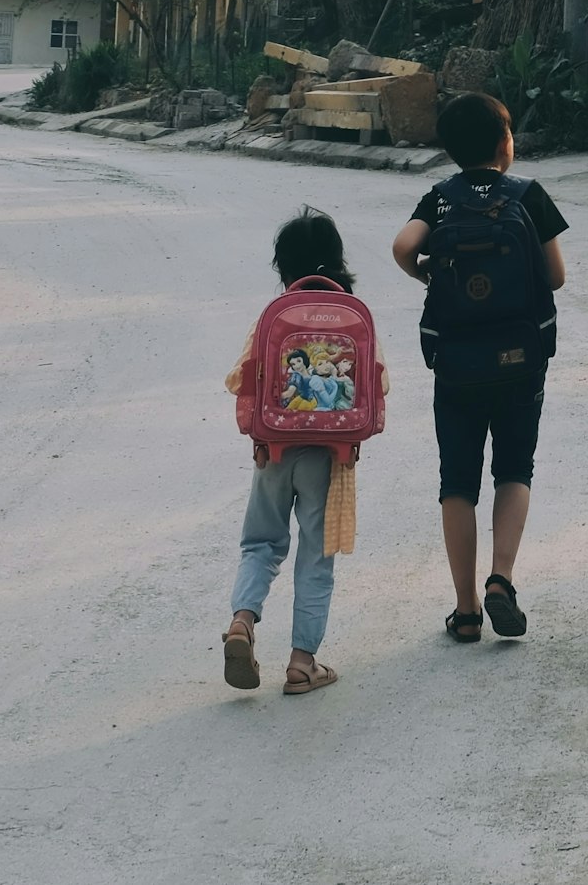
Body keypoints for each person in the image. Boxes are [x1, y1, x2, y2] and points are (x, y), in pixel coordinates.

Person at [392, 93, 567, 644]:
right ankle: (501, 581)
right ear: (504, 145)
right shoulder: (527, 194)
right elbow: (556, 277)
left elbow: (402, 247)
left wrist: (429, 276)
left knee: (458, 480)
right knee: (515, 468)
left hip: (457, 365)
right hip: (520, 361)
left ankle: (465, 610)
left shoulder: (439, 199)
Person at [223, 207, 384, 695]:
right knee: (316, 555)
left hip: (273, 449)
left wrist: (260, 433)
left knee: (262, 542)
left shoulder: (276, 317)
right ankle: (302, 664)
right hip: (331, 457)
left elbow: (241, 379)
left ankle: (242, 622)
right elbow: (378, 384)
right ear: (338, 260)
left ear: (282, 267)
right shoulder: (351, 314)